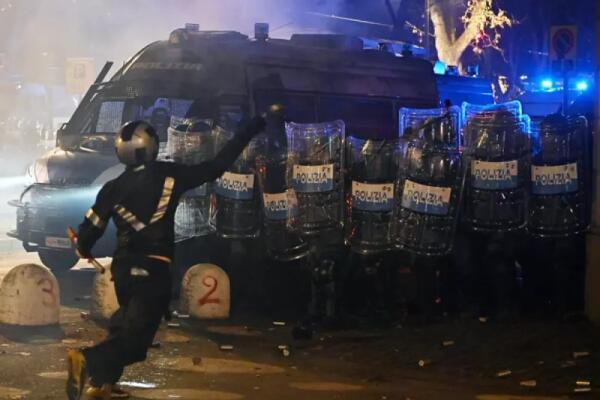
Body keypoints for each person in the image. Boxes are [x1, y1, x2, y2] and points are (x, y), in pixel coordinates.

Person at [66, 113, 267, 400]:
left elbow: (88, 234)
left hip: (123, 269)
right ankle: (88, 359)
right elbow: (215, 167)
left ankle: (102, 384)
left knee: (125, 325)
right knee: (136, 342)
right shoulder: (169, 175)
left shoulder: (112, 188)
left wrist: (82, 246)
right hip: (154, 267)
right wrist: (247, 131)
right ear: (151, 146)